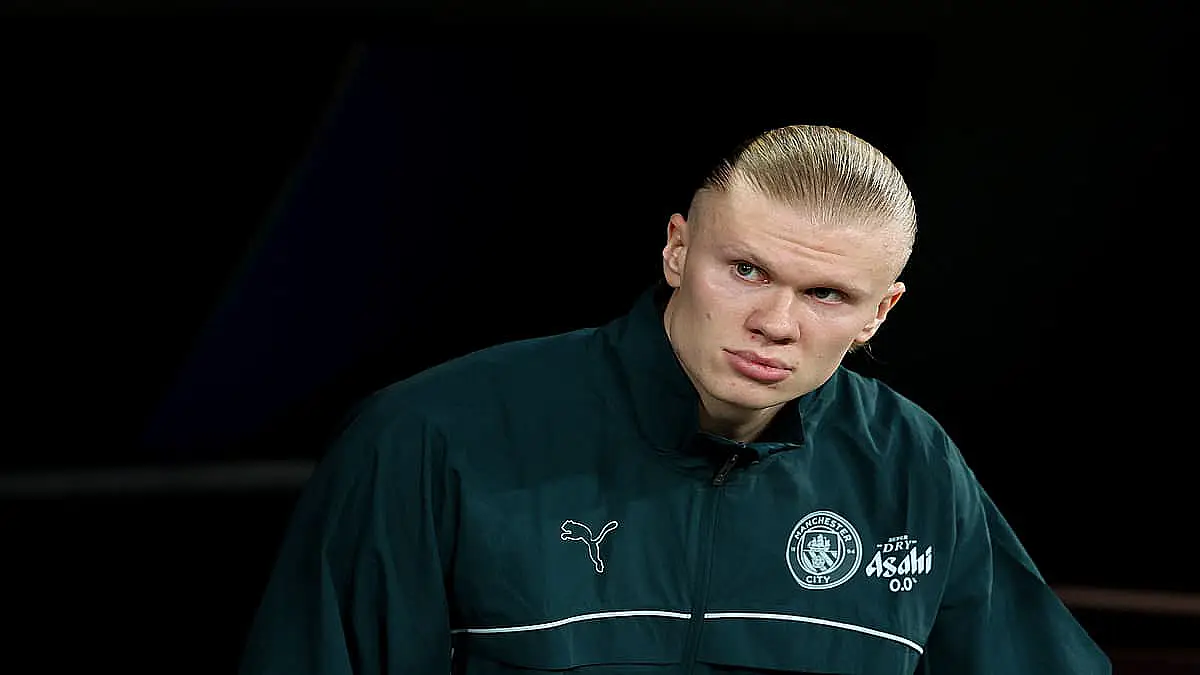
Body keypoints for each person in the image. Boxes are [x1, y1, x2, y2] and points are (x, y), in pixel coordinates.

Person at [238, 125, 1111, 674]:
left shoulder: (914, 466)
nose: (774, 321)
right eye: (746, 270)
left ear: (880, 313)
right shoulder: (431, 437)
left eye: (826, 296)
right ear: (675, 251)